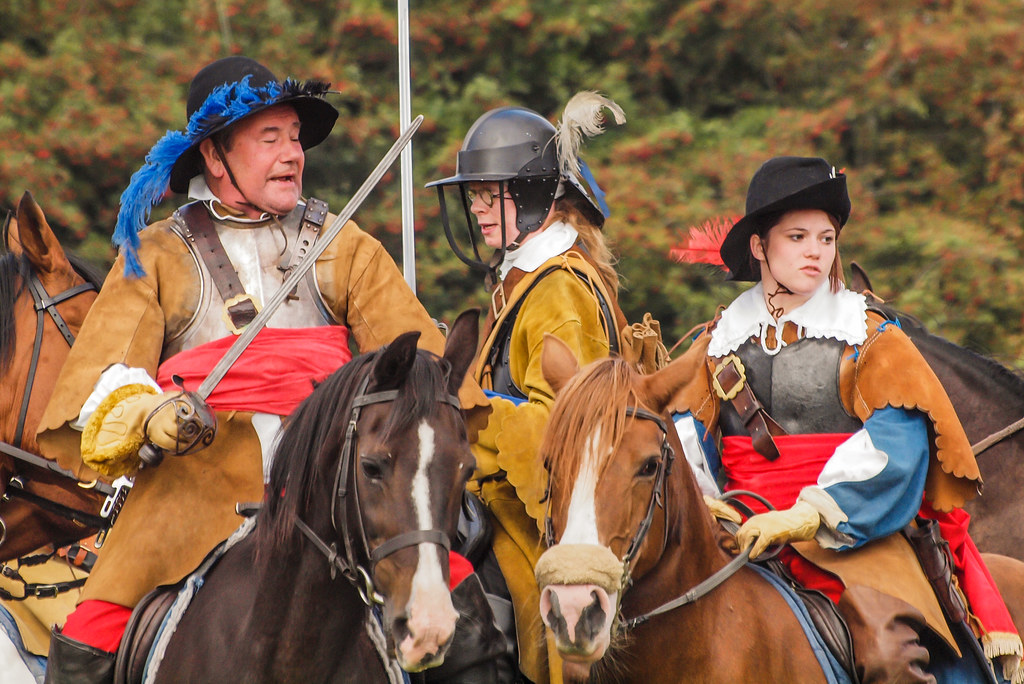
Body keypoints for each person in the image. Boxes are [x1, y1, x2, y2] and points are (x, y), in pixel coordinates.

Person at [35, 56, 487, 683]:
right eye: (269, 138)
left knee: (470, 625)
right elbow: (99, 376)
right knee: (87, 640)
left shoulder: (346, 246)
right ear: (216, 156)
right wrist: (152, 413)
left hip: (342, 493)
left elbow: (430, 377)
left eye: (295, 138)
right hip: (195, 487)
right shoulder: (157, 254)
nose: (292, 154)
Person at [671, 156, 1022, 683]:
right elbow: (686, 446)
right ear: (758, 246)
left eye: (826, 238)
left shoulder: (872, 337)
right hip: (737, 528)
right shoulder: (715, 342)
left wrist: (807, 516)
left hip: (854, 531)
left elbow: (897, 449)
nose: (816, 250)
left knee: (891, 657)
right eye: (797, 236)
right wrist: (710, 509)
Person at [426, 93, 630, 684]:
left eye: (493, 193)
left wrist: (466, 409)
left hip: (539, 516)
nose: (479, 208)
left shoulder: (559, 290)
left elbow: (571, 431)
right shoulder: (524, 279)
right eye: (475, 195)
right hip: (499, 494)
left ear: (537, 194)